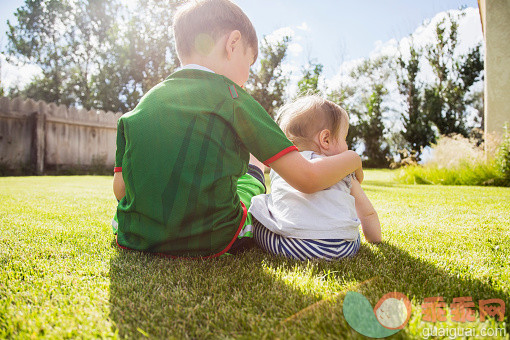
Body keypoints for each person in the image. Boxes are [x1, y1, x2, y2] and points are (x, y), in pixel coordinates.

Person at [112, 0, 363, 258]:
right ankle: (254, 166)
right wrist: (353, 158)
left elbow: (121, 190)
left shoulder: (141, 107)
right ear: (233, 44)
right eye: (250, 63)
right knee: (250, 185)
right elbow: (308, 179)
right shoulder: (233, 98)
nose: (248, 76)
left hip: (135, 237)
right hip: (214, 239)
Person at [249, 96, 382, 261]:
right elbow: (368, 214)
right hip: (343, 247)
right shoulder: (346, 171)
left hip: (292, 246)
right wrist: (376, 242)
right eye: (344, 139)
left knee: (260, 205)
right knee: (350, 229)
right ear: (325, 140)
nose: (347, 146)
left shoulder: (284, 168)